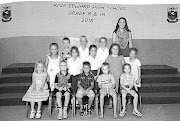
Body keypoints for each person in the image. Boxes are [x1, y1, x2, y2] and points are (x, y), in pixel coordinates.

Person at [106, 43, 125, 108]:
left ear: (119, 50)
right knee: (111, 89)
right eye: (113, 49)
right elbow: (106, 67)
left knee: (120, 89)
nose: (115, 50)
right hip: (111, 75)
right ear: (111, 49)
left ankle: (121, 103)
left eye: (117, 49)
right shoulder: (108, 57)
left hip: (119, 75)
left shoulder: (121, 57)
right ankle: (111, 102)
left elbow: (123, 66)